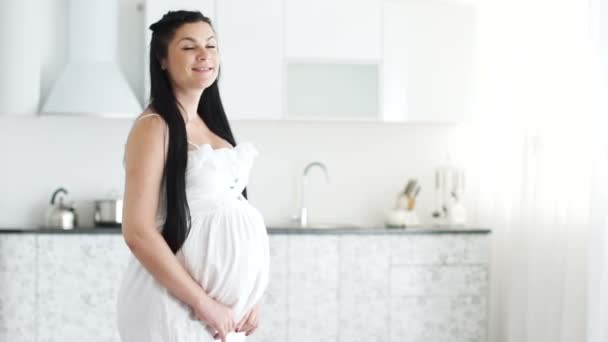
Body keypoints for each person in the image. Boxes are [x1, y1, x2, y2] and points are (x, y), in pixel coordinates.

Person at [116, 10, 269, 342]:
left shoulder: (211, 127)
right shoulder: (154, 127)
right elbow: (138, 233)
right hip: (174, 309)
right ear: (162, 60)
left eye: (211, 46)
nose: (204, 55)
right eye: (189, 47)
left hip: (223, 317)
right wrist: (204, 304)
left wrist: (250, 295)